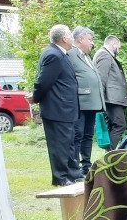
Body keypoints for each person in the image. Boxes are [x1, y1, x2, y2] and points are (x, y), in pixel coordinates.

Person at [31, 24, 80, 186]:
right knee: (60, 145)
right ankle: (61, 178)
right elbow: (43, 82)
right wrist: (35, 97)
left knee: (70, 143)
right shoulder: (54, 55)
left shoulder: (61, 53)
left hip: (66, 109)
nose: (73, 38)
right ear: (65, 38)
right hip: (57, 109)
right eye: (71, 36)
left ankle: (73, 174)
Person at [67, 27, 105, 175]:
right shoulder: (71, 54)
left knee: (88, 135)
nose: (92, 43)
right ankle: (75, 168)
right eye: (90, 39)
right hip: (80, 103)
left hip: (91, 103)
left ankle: (86, 166)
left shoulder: (86, 56)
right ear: (80, 39)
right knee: (78, 135)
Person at [93, 35, 127, 150]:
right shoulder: (104, 54)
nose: (119, 50)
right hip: (110, 99)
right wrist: (101, 100)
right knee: (120, 125)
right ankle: (111, 154)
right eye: (118, 47)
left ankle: (109, 154)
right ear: (114, 44)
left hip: (111, 98)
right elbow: (101, 78)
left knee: (113, 126)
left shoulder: (105, 54)